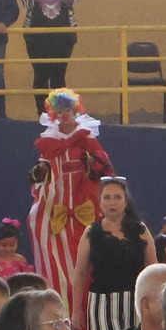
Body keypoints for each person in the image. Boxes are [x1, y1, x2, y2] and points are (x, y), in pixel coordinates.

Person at [28, 89, 112, 304]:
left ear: (75, 111)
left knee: (90, 262)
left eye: (68, 110)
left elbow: (105, 170)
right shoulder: (50, 141)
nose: (65, 115)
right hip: (58, 211)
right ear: (54, 114)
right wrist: (41, 173)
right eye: (60, 111)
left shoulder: (87, 138)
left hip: (86, 208)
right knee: (58, 266)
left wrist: (93, 164)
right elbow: (42, 175)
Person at [74, 176, 158, 330]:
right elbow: (80, 273)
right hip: (101, 304)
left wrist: (154, 304)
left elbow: (153, 269)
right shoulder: (91, 232)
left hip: (134, 303)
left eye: (117, 197)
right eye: (107, 197)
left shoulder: (140, 230)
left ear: (126, 201)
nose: (112, 202)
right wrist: (76, 311)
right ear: (100, 202)